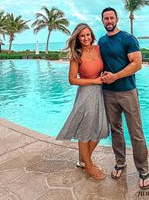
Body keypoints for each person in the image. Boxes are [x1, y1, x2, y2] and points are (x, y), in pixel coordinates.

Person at [98, 7, 149, 190]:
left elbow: (137, 64)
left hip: (127, 91)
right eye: (106, 18)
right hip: (108, 93)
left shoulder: (128, 39)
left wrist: (115, 76)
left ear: (117, 19)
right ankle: (120, 162)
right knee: (116, 131)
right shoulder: (102, 41)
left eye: (111, 17)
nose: (109, 20)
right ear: (102, 21)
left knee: (136, 133)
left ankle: (143, 170)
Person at [56, 23, 109, 180]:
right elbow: (72, 80)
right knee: (85, 129)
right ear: (78, 38)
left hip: (100, 92)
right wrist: (94, 81)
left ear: (92, 35)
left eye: (88, 35)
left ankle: (83, 160)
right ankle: (88, 165)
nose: (86, 38)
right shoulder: (76, 55)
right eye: (82, 35)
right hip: (86, 94)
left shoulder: (98, 49)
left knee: (101, 128)